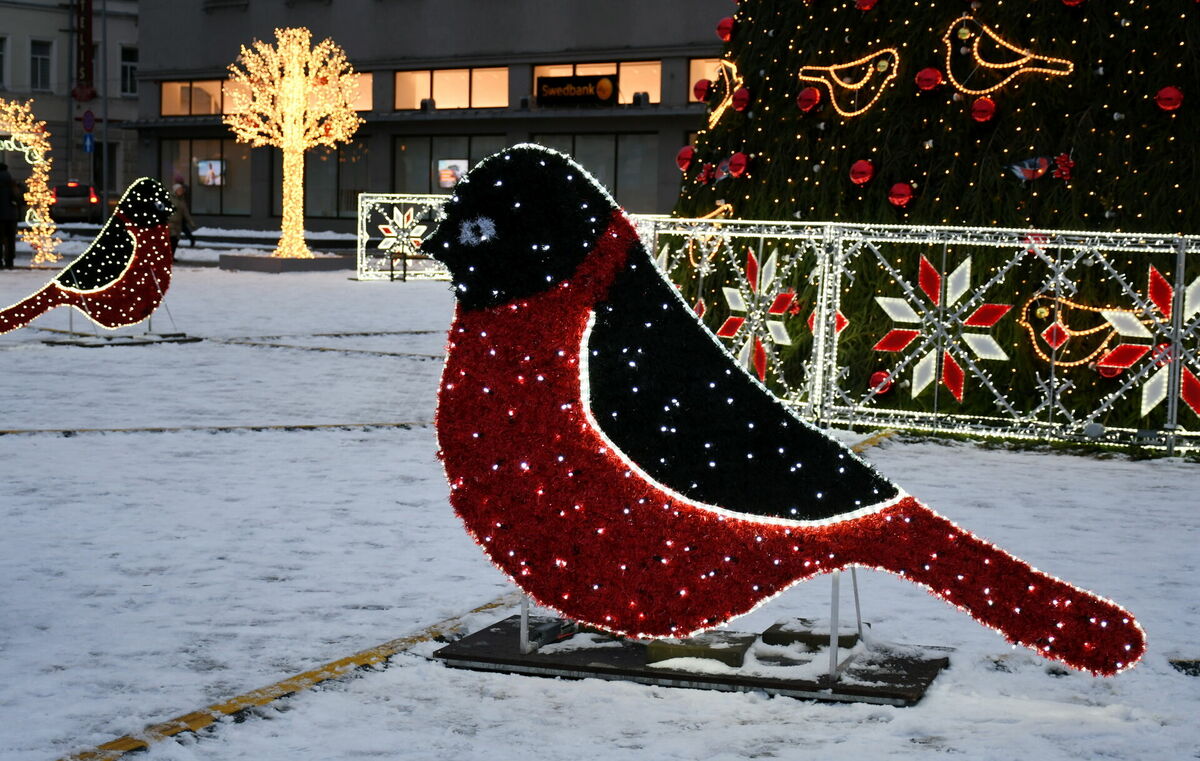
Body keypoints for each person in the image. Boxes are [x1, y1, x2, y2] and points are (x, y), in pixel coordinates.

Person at [167, 182, 196, 256]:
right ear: (175, 190)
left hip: (178, 224)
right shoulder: (169, 199)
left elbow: (185, 213)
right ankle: (169, 256)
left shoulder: (182, 200)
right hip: (170, 223)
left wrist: (191, 223)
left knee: (176, 240)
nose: (181, 191)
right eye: (179, 190)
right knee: (172, 239)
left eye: (182, 190)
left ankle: (171, 256)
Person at [0, 163, 20, 269]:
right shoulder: (12, 183)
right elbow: (18, 198)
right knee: (10, 240)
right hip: (11, 216)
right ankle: (9, 261)